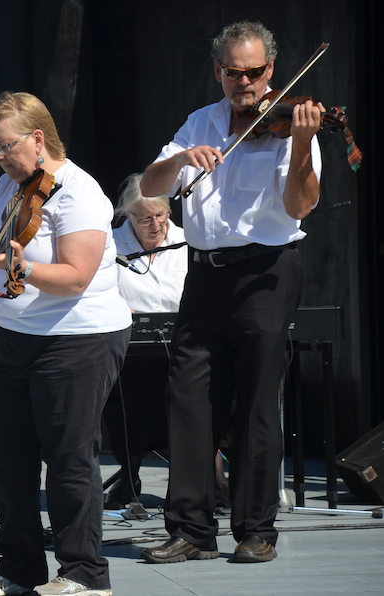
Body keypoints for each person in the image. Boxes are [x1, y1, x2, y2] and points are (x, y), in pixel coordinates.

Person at [139, 21, 322, 564]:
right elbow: (151, 186)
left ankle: (256, 528)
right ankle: (191, 531)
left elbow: (299, 207)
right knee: (189, 398)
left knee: (258, 401)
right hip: (205, 272)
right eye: (235, 73)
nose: (247, 83)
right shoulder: (201, 121)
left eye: (257, 72)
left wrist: (305, 141)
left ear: (271, 69)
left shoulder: (290, 122)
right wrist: (180, 159)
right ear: (219, 72)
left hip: (266, 271)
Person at [0, 92, 130, 596]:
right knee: (7, 459)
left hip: (77, 339)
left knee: (69, 458)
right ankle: (18, 567)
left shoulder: (80, 193)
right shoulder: (8, 187)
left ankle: (84, 575)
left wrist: (22, 268)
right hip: (11, 337)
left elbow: (75, 277)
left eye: (4, 148)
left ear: (37, 138)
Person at [102, 174, 187, 510]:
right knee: (127, 390)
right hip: (129, 346)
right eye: (145, 218)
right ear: (129, 217)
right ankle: (130, 471)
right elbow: (97, 286)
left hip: (182, 342)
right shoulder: (111, 245)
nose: (155, 225)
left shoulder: (187, 242)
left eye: (160, 215)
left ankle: (194, 480)